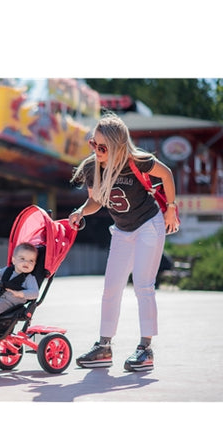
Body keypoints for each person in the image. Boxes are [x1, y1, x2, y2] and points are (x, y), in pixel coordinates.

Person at [68, 112, 180, 372]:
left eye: (102, 146)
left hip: (148, 226)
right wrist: (81, 210)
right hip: (121, 230)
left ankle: (145, 349)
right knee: (111, 289)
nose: (96, 150)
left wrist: (171, 208)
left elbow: (167, 174)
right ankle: (104, 347)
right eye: (93, 144)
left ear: (118, 145)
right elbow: (97, 200)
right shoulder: (91, 167)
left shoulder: (137, 161)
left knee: (143, 285)